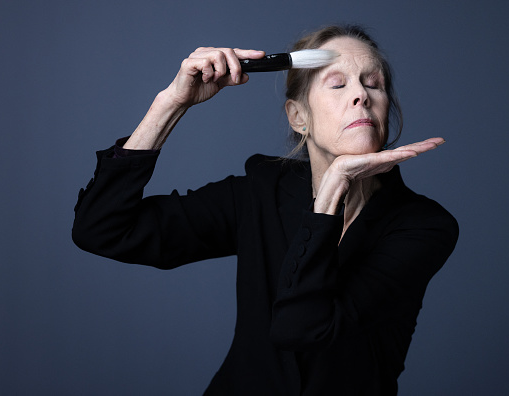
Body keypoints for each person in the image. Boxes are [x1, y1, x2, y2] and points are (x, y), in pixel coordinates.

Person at [72, 25, 458, 395]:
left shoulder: (424, 227)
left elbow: (304, 329)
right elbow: (103, 229)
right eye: (338, 84)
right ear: (298, 117)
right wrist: (171, 103)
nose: (361, 95)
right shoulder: (260, 193)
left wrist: (331, 191)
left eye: (373, 84)